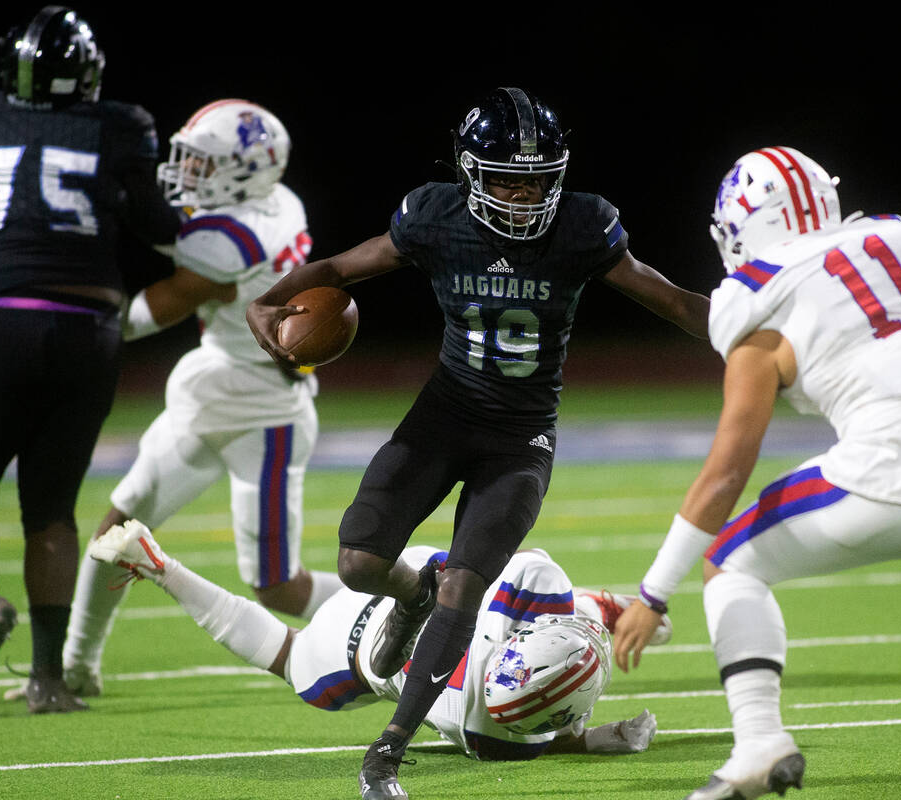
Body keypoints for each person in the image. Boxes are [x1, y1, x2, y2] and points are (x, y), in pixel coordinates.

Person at [245, 87, 710, 799]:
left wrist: (754, 335)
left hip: (520, 438)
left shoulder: (585, 228)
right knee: (360, 559)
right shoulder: (434, 218)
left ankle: (387, 754)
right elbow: (339, 270)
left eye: (536, 180)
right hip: (446, 413)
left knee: (467, 582)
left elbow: (670, 298)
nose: (523, 197)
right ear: (470, 173)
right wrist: (268, 302)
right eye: (506, 180)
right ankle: (410, 595)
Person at [612, 146, 901, 800]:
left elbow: (727, 470)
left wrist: (653, 593)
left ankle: (759, 743)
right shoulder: (889, 248)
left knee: (728, 562)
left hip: (896, 474)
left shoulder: (754, 300)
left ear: (746, 227)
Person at [36, 98, 341, 700]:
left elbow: (152, 311)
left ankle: (414, 602)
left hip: (265, 416)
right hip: (215, 390)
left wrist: (79, 313)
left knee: (280, 589)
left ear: (246, 171)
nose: (188, 173)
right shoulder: (279, 202)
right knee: (117, 528)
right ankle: (75, 666)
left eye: (204, 164)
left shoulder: (230, 240)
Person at [0, 6, 180, 713]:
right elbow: (158, 227)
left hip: (4, 315)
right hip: (91, 330)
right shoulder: (122, 125)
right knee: (52, 510)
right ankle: (47, 678)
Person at [87, 519, 667, 763]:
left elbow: (532, 564)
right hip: (358, 649)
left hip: (412, 574)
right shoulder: (493, 738)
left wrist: (581, 614)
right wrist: (597, 738)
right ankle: (162, 569)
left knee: (512, 584)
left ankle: (601, 606)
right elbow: (549, 731)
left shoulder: (537, 588)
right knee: (293, 663)